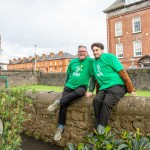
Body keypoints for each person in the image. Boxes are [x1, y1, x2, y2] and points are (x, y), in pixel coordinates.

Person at [86, 42, 137, 129]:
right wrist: (90, 90)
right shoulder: (93, 62)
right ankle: (98, 124)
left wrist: (131, 89)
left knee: (106, 102)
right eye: (93, 51)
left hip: (117, 85)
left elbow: (122, 72)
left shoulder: (110, 57)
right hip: (104, 88)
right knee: (96, 100)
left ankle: (101, 126)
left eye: (97, 50)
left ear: (102, 50)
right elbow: (94, 78)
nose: (95, 52)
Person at [48, 45, 93, 141]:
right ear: (77, 53)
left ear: (87, 53)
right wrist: (65, 86)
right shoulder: (72, 62)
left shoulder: (90, 61)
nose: (82, 53)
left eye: (83, 51)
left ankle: (58, 102)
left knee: (78, 93)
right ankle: (60, 128)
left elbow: (93, 77)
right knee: (64, 105)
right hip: (69, 86)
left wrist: (91, 90)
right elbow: (68, 76)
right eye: (80, 51)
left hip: (82, 87)